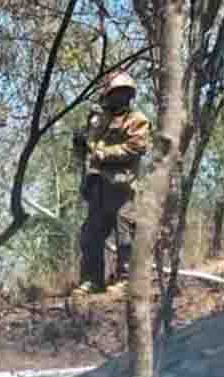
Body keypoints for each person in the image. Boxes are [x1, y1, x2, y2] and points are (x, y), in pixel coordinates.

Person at [72, 71, 151, 295]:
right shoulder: (98, 120)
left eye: (124, 93)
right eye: (116, 92)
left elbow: (136, 148)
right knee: (91, 235)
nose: (120, 97)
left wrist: (102, 153)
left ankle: (127, 280)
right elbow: (85, 153)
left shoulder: (137, 120)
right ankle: (91, 280)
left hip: (122, 189)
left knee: (125, 237)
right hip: (98, 187)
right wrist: (80, 143)